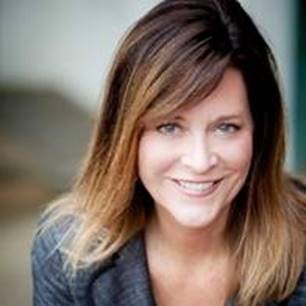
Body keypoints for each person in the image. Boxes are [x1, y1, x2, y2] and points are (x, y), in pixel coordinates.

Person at [31, 0, 306, 305]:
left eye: (226, 127)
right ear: (125, 132)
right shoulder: (66, 252)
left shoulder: (301, 242)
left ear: (260, 132)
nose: (200, 162)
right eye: (169, 127)